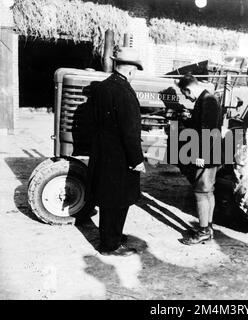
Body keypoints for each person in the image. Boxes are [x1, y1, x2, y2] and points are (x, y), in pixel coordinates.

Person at [86, 47, 145, 256]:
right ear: (130, 70)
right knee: (119, 201)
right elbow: (130, 130)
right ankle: (110, 245)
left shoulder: (102, 87)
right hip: (120, 158)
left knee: (109, 198)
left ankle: (113, 235)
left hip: (104, 153)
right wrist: (137, 159)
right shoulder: (125, 93)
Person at [176, 74, 223, 245]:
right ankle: (207, 228)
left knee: (201, 191)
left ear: (188, 89)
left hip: (207, 153)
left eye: (185, 94)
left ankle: (203, 231)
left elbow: (206, 130)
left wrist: (200, 155)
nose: (187, 98)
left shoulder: (207, 100)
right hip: (213, 151)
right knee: (208, 191)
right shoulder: (206, 98)